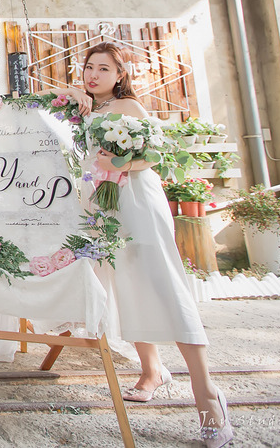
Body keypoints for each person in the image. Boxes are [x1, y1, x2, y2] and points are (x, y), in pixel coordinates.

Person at [54, 42, 232, 447]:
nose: (94, 75)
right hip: (102, 207)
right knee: (126, 285)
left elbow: (154, 153)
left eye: (103, 69)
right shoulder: (86, 108)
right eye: (88, 68)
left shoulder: (129, 108)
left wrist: (119, 164)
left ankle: (207, 397)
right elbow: (45, 101)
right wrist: (76, 96)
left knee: (162, 284)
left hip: (136, 202)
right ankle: (152, 370)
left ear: (120, 75)